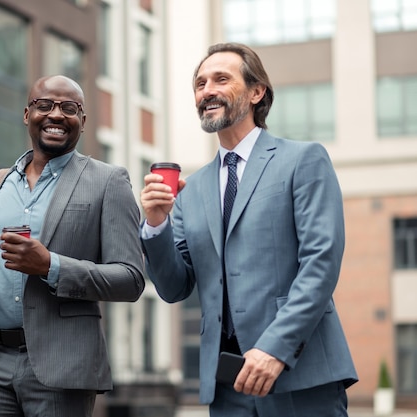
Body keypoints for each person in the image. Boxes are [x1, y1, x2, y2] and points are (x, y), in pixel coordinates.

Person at [139, 42, 358, 416]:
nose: (207, 90)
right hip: (227, 389)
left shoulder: (302, 160)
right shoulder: (191, 192)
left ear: (257, 92)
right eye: (200, 83)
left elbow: (320, 264)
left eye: (221, 79)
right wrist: (156, 222)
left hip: (299, 377)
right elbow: (174, 287)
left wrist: (275, 347)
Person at [0, 75, 145, 417]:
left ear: (82, 122)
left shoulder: (108, 182)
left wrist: (51, 266)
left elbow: (130, 279)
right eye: (45, 105)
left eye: (69, 108)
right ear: (28, 115)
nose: (56, 114)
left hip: (62, 367)